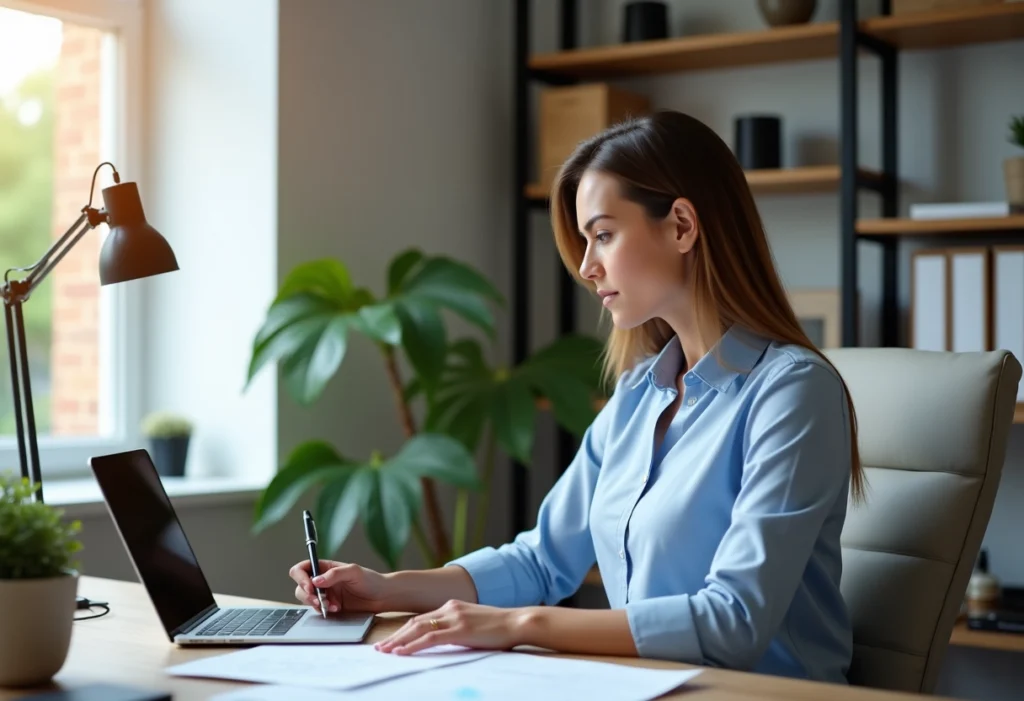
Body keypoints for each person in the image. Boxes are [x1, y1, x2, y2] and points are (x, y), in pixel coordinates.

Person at [288, 110, 865, 684]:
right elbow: (542, 559)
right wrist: (386, 589)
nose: (588, 267)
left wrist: (521, 625)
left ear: (682, 226)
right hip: (645, 686)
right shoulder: (641, 393)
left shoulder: (792, 393)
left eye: (604, 235)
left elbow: (732, 622)